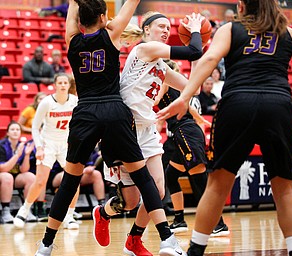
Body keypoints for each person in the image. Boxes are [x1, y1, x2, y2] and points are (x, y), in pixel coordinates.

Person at [157, 0, 292, 255]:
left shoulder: (232, 29)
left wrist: (185, 96)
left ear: (242, 5)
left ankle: (195, 251)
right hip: (278, 105)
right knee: (286, 188)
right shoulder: (287, 32)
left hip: (238, 103)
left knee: (218, 184)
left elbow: (210, 57)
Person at [34, 1, 185, 256]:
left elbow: (73, 19)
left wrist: (74, 3)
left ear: (80, 22)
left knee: (70, 181)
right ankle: (166, 238)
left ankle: (46, 244)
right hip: (115, 111)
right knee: (143, 178)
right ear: (104, 17)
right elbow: (131, 4)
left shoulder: (72, 39)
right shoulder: (112, 34)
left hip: (86, 113)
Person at [97, 11, 204, 256]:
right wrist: (196, 30)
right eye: (161, 26)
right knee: (130, 202)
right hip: (125, 128)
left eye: (169, 27)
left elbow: (193, 88)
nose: (166, 31)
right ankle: (103, 213)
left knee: (158, 190)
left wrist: (199, 55)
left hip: (147, 130)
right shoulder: (144, 50)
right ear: (146, 31)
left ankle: (134, 240)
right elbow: (193, 51)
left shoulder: (160, 66)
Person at [156, 59, 229, 237]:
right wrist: (199, 120)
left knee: (199, 179)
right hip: (184, 131)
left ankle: (218, 224)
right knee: (171, 176)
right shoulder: (179, 89)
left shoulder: (165, 81)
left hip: (185, 132)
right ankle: (179, 219)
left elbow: (155, 100)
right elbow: (187, 106)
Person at [14, 73, 79, 230]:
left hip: (66, 145)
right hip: (48, 143)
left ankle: (69, 216)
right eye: (60, 83)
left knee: (73, 181)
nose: (63, 85)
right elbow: (35, 127)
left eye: (65, 82)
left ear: (69, 85)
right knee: (40, 181)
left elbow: (80, 123)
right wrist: (39, 147)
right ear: (55, 85)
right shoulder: (46, 102)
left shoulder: (75, 101)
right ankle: (24, 210)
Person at [0, 121, 36, 224]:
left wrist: (27, 155)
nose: (15, 132)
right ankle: (5, 211)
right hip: (3, 176)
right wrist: (17, 155)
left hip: (16, 177)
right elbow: (3, 169)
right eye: (12, 129)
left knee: (30, 177)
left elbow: (23, 170)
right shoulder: (2, 145)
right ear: (7, 133)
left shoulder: (23, 146)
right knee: (7, 177)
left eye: (17, 129)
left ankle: (26, 210)